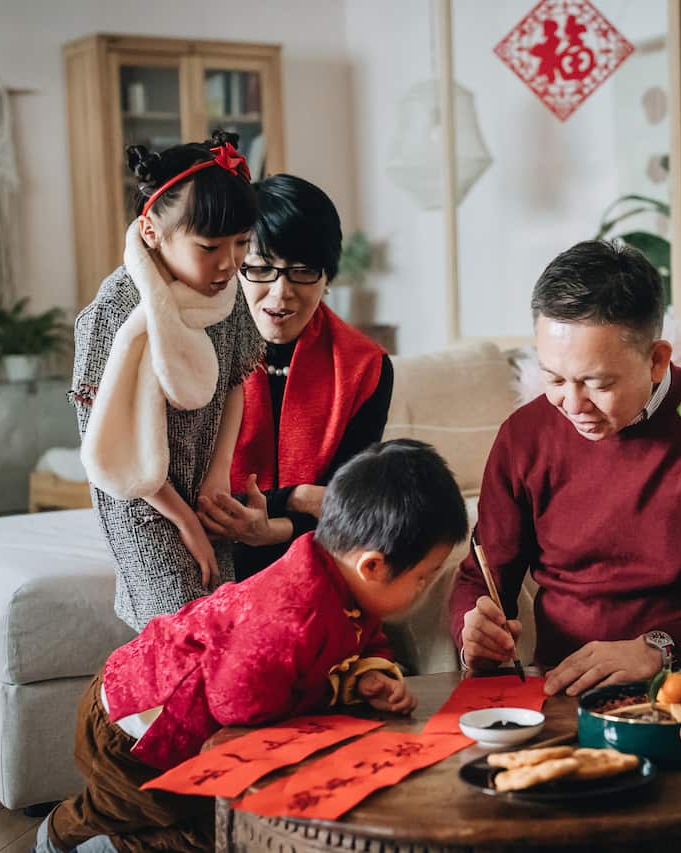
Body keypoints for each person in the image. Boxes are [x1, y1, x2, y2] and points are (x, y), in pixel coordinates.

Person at [35, 439, 469, 853]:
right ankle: (64, 836)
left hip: (191, 723)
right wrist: (325, 700)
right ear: (371, 566)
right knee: (150, 812)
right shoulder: (288, 616)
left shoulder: (349, 588)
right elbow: (235, 700)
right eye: (422, 578)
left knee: (208, 822)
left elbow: (366, 638)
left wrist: (370, 673)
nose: (424, 589)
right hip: (135, 725)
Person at [450, 240, 681, 696]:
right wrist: (472, 632)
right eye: (554, 378)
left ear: (656, 360)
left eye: (596, 383)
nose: (572, 404)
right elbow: (481, 576)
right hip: (564, 690)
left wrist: (659, 650)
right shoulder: (524, 436)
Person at [71, 130, 264, 631]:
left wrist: (217, 476)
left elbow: (236, 381)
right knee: (184, 629)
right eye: (209, 246)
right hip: (140, 498)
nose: (229, 262)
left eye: (241, 243)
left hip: (203, 489)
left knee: (221, 628)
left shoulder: (224, 293)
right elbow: (104, 440)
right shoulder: (113, 310)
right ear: (152, 231)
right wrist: (183, 519)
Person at [196, 174, 392, 580]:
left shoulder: (365, 367)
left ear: (327, 277)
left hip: (317, 556)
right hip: (206, 551)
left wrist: (273, 528)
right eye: (260, 269)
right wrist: (298, 497)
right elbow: (194, 495)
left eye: (302, 271)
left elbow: (346, 506)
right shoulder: (196, 351)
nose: (281, 292)